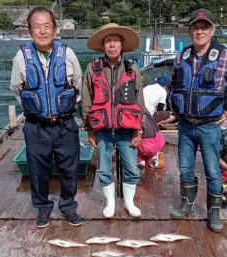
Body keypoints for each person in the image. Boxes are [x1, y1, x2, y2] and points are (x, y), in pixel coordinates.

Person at [170, 9, 227, 232]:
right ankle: (187, 204)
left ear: (212, 30)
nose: (199, 31)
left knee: (212, 170)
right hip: (185, 125)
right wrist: (173, 107)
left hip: (209, 126)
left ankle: (214, 212)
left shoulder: (225, 54)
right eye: (195, 27)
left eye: (204, 27)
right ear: (189, 31)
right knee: (185, 168)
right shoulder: (182, 56)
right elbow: (173, 85)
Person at [10, 7, 83, 229]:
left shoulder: (67, 54)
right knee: (37, 170)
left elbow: (77, 85)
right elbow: (17, 89)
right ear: (30, 31)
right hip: (36, 126)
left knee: (69, 168)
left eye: (47, 26)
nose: (43, 31)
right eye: (37, 26)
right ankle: (42, 207)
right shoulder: (21, 57)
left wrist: (63, 108)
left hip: (65, 124)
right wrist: (37, 110)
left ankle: (69, 207)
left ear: (55, 29)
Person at [82, 23, 145, 218]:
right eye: (108, 41)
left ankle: (129, 202)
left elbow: (139, 100)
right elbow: (86, 100)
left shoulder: (132, 68)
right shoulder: (92, 68)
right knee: (103, 167)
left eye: (115, 41)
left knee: (132, 167)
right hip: (102, 129)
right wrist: (89, 129)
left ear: (122, 45)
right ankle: (109, 203)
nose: (112, 45)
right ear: (103, 45)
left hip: (127, 129)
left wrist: (139, 130)